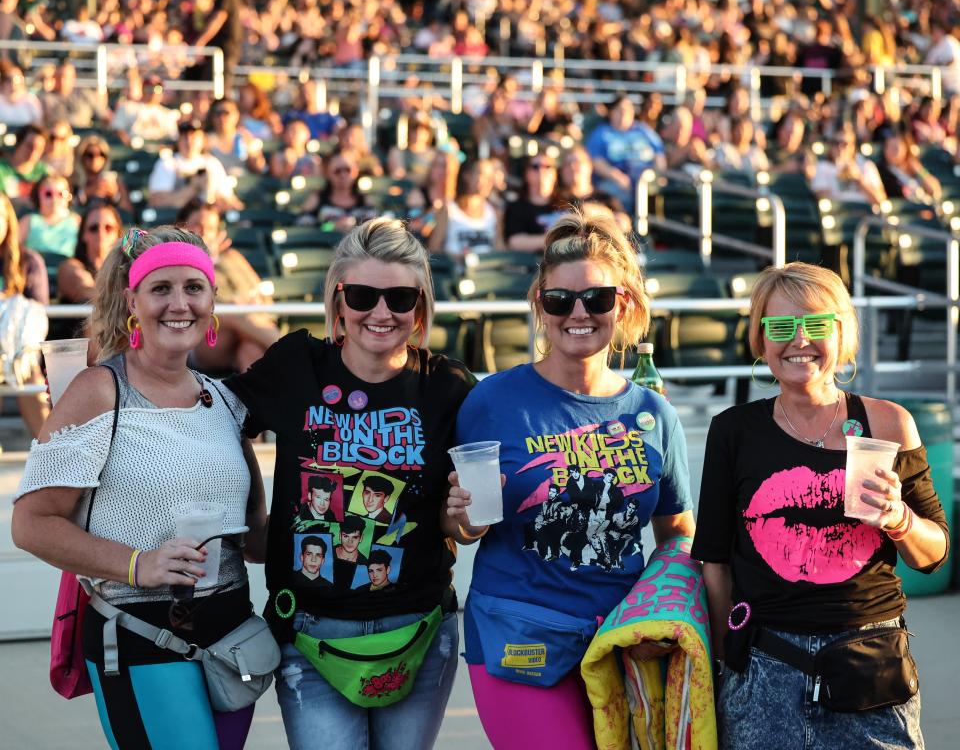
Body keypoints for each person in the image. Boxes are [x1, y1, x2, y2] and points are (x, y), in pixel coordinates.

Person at [11, 224, 269, 749]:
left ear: (213, 300)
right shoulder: (98, 392)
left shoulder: (225, 401)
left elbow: (257, 539)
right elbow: (30, 524)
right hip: (138, 631)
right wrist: (138, 563)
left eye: (194, 288)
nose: (180, 303)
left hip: (231, 635)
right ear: (133, 300)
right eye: (162, 289)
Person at [222, 217, 474, 749]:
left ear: (420, 307)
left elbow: (464, 521)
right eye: (362, 294)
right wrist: (254, 520)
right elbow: (211, 425)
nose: (380, 313)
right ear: (338, 300)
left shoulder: (448, 389)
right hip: (311, 637)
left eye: (400, 298)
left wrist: (464, 519)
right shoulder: (296, 365)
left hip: (419, 633)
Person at [447, 209, 695, 748]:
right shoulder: (492, 400)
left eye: (597, 299)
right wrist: (462, 522)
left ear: (622, 303)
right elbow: (467, 528)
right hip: (519, 633)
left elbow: (677, 534)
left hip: (620, 643)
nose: (578, 313)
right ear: (540, 305)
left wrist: (664, 611)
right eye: (560, 301)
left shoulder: (653, 413)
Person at [691, 262, 949, 750]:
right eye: (782, 327)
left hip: (870, 667)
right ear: (761, 340)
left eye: (816, 325)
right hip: (764, 668)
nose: (799, 341)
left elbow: (933, 555)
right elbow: (716, 563)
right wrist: (729, 664)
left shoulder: (889, 424)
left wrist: (899, 518)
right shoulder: (733, 430)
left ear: (842, 333)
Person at [178, 200, 279, 373]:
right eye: (198, 226)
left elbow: (263, 298)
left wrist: (248, 303)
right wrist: (207, 261)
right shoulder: (175, 260)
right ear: (181, 228)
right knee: (231, 311)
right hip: (200, 339)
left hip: (244, 332)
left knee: (250, 350)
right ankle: (300, 354)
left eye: (211, 228)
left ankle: (263, 399)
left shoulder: (232, 257)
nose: (205, 233)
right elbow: (197, 303)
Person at [0, 191, 48, 437]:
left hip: (19, 350)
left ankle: (52, 454)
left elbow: (39, 313)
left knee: (27, 368)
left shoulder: (28, 261)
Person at [147, 119, 241, 211]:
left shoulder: (211, 163)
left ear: (203, 140)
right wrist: (193, 187)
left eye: (194, 136)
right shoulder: (167, 163)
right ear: (178, 140)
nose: (189, 141)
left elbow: (228, 198)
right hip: (175, 221)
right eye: (185, 136)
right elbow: (157, 201)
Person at [57, 202, 122, 304]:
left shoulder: (125, 269)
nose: (101, 233)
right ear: (83, 234)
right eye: (94, 228)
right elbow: (85, 289)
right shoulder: (69, 267)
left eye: (108, 228)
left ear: (118, 235)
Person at [503, 153, 564, 253]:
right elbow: (515, 242)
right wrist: (557, 239)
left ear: (556, 174)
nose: (541, 170)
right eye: (535, 167)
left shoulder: (569, 203)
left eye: (547, 166)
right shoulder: (516, 207)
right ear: (526, 174)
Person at [300, 153, 376, 232]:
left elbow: (374, 228)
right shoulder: (317, 199)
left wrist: (355, 225)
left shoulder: (365, 199)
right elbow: (305, 228)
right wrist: (331, 226)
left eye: (348, 170)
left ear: (356, 171)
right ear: (328, 173)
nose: (343, 175)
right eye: (337, 171)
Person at [18, 174, 81, 260]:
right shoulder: (29, 221)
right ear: (38, 196)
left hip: (66, 271)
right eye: (48, 194)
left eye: (61, 194)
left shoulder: (76, 221)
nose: (54, 199)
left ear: (69, 196)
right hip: (34, 269)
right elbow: (12, 247)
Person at [72, 135, 132, 211]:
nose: (95, 159)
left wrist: (115, 195)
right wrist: (87, 192)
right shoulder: (73, 180)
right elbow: (66, 208)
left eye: (101, 154)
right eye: (90, 155)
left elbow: (127, 212)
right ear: (81, 157)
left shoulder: (116, 181)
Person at [0, 123, 48, 201]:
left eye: (39, 148)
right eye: (29, 146)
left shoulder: (43, 172)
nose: (33, 152)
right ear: (18, 143)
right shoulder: (1, 169)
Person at [0, 60, 42, 127]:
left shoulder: (31, 101)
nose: (13, 84)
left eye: (17, 79)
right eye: (8, 80)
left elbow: (38, 125)